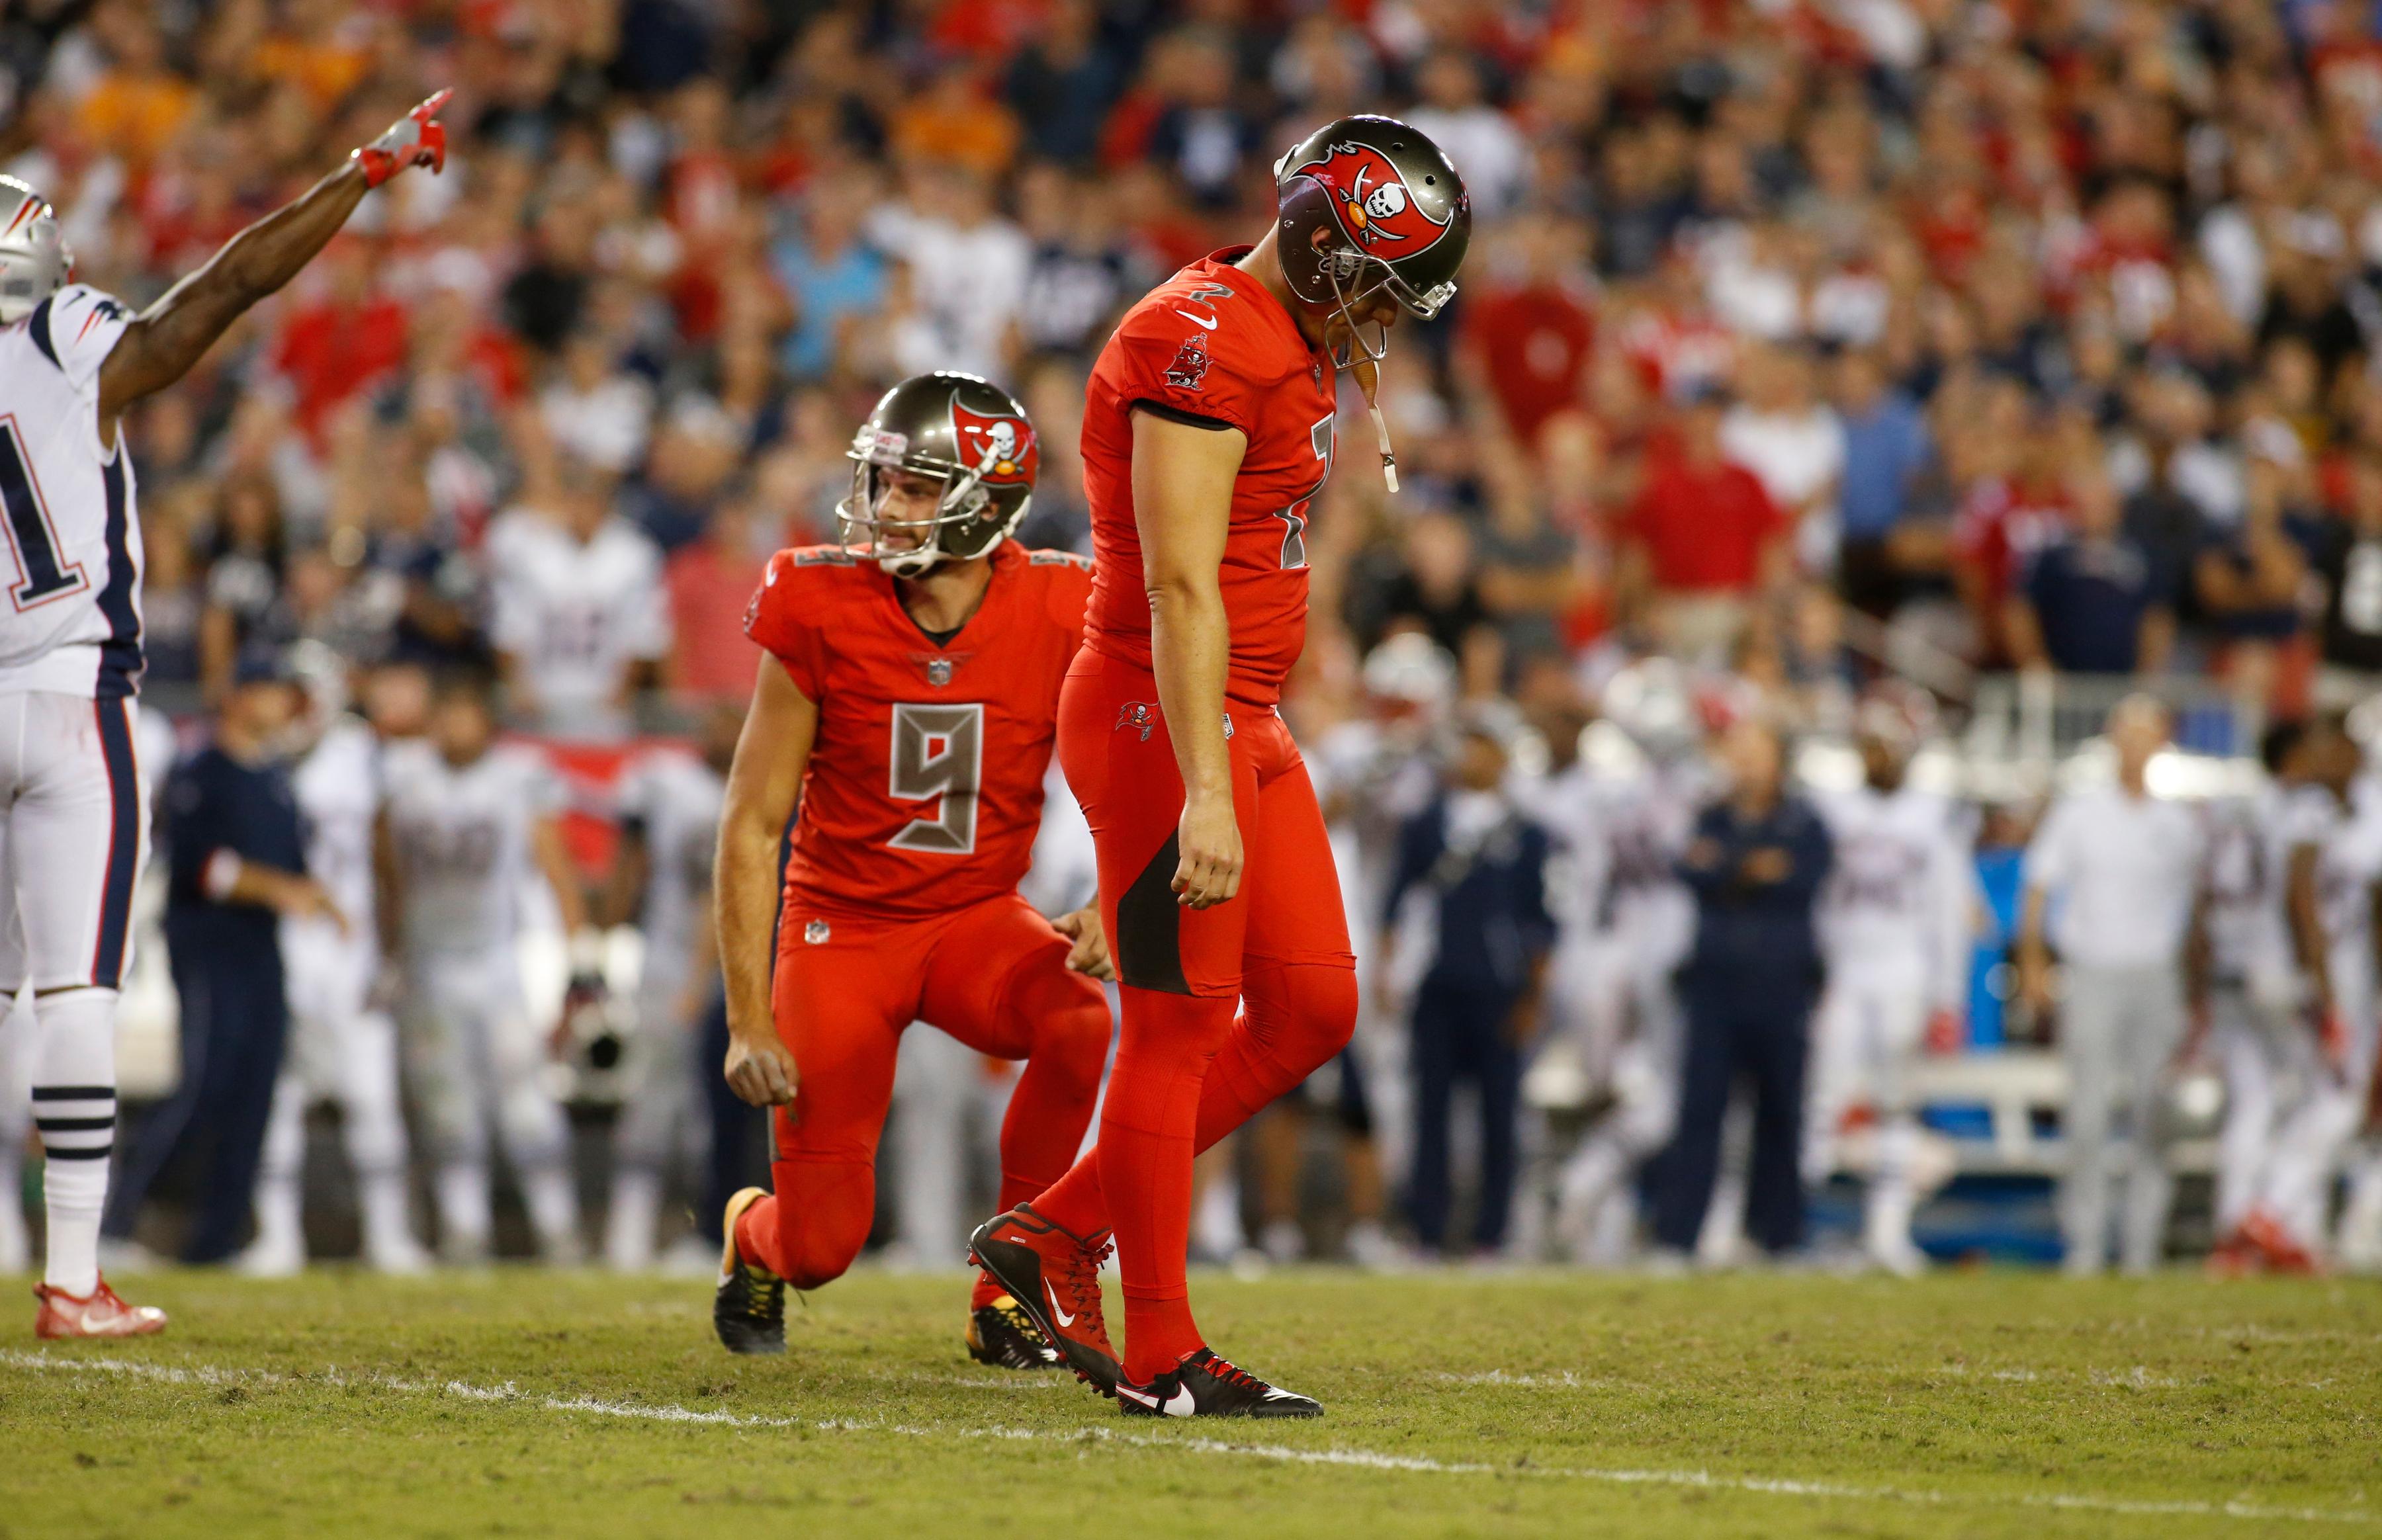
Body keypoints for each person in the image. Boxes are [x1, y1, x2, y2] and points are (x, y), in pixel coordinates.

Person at [968, 115, 1471, 1421]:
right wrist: (1202, 787)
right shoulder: (1199, 341)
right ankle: (1161, 1351)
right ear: (1323, 248)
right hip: (1166, 710)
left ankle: (1051, 1232)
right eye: (1381, 285)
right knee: (1180, 1023)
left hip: (1237, 708)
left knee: (1311, 1008)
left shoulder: (1281, 334)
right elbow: (1181, 588)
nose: (1387, 316)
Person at [0, 91, 451, 1336]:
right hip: (74, 693)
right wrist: (360, 172)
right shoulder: (65, 335)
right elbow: (224, 291)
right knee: (74, 991)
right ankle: (72, 1277)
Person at [711, 372, 1116, 1371]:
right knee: (820, 1248)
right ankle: (754, 1234)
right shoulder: (817, 600)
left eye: (920, 488)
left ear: (987, 501)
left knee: (1078, 1020)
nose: (889, 507)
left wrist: (1119, 894)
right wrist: (748, 1018)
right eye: (885, 482)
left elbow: (1140, 760)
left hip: (975, 919)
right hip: (841, 933)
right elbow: (752, 825)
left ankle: (1011, 1284)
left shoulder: (1063, 603)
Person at [103, 648, 340, 1269]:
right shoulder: (203, 769)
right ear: (237, 695)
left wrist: (318, 897)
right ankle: (118, 1224)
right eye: (269, 690)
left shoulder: (274, 777)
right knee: (203, 1084)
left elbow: (293, 866)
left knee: (255, 1093)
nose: (280, 703)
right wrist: (282, 890)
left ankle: (216, 1242)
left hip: (260, 947)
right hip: (210, 945)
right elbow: (201, 866)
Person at [378, 667, 590, 1265]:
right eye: (444, 715)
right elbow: (386, 870)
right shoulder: (405, 777)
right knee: (447, 1106)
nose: (452, 727)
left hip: (500, 963)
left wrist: (579, 958)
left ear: (487, 722)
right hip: (430, 965)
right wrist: (391, 952)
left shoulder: (517, 778)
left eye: (464, 714)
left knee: (526, 1104)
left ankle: (558, 1228)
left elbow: (557, 866)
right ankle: (464, 1229)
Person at [240, 644, 427, 1275]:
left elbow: (385, 857)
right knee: (279, 1099)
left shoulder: (362, 754)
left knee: (372, 1095)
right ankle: (276, 1237)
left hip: (352, 949)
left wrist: (394, 950)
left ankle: (389, 1235)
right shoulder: (257, 757)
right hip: (283, 945)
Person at [2017, 695, 2207, 1275]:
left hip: (2156, 976)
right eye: (2128, 733)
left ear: (2162, 743)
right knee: (2088, 1113)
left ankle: (2142, 1245)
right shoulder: (2080, 813)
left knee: (2154, 1113)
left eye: (2147, 734)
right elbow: (2038, 886)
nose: (2136, 746)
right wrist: (2033, 961)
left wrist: (2194, 988)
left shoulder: (2179, 824)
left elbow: (2198, 911)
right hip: (2094, 970)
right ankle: (2085, 1243)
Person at [1652, 714, 1833, 1263]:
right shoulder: (1710, 817)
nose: (1747, 764)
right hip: (1715, 983)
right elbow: (1692, 873)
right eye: (1740, 752)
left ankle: (1778, 1236)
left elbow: (1803, 877)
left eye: (1758, 752)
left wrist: (1727, 870)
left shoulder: (1804, 822)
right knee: (1700, 1110)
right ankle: (1679, 1236)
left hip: (1781, 983)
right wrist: (1748, 870)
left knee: (1781, 1110)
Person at [1807, 688, 1974, 1275]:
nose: (1875, 756)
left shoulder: (1933, 815)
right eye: (1869, 745)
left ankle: (1887, 1231)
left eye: (1885, 746)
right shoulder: (1833, 808)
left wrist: (1948, 996)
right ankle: (1796, 1228)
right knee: (1820, 1100)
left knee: (1898, 1105)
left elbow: (1949, 911)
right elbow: (1817, 899)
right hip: (1845, 970)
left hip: (1904, 971)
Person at [1378, 710, 1554, 1257]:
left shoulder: (1527, 833)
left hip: (1499, 989)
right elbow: (1396, 901)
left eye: (1483, 746)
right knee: (1429, 1110)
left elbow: (1542, 919)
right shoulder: (1427, 823)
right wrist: (1388, 972)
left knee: (1500, 1114)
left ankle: (1491, 1234)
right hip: (1436, 985)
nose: (1472, 757)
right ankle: (1426, 1229)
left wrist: (1533, 995)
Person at [600, 700, 738, 1272]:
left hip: (740, 969)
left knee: (717, 1112)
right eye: (716, 719)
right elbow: (631, 862)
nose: (724, 731)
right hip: (667, 961)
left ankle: (707, 1232)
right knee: (652, 1099)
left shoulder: (765, 787)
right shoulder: (665, 782)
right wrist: (605, 935)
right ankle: (629, 1231)